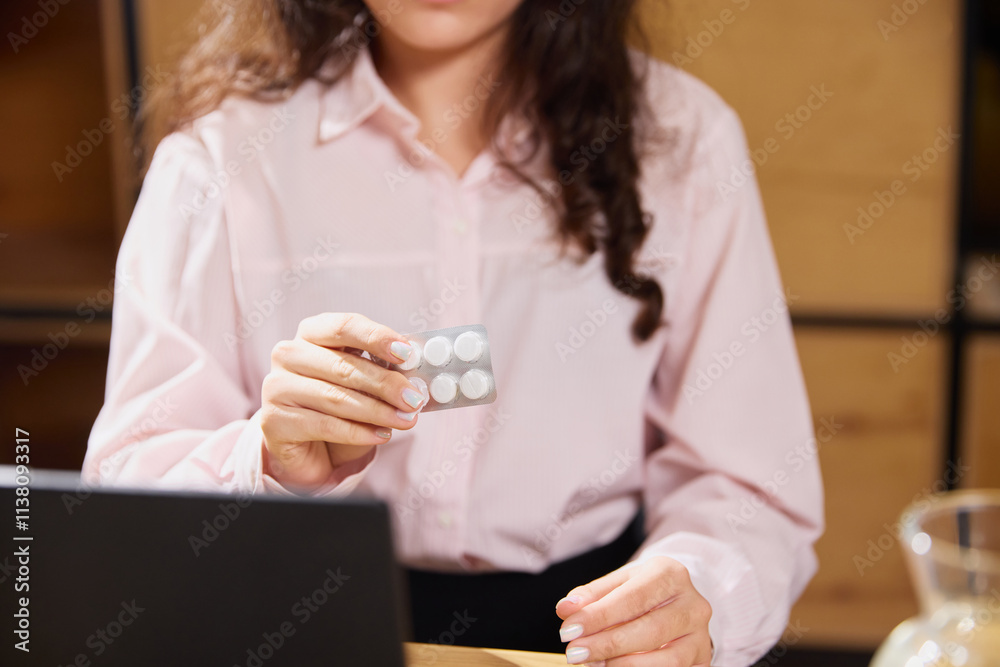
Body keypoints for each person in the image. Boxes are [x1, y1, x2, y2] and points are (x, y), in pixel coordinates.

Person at [83, 1, 824, 665]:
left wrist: (698, 591)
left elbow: (749, 479)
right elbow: (121, 510)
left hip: (591, 635)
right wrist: (263, 456)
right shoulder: (217, 164)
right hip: (301, 625)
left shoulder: (683, 138)